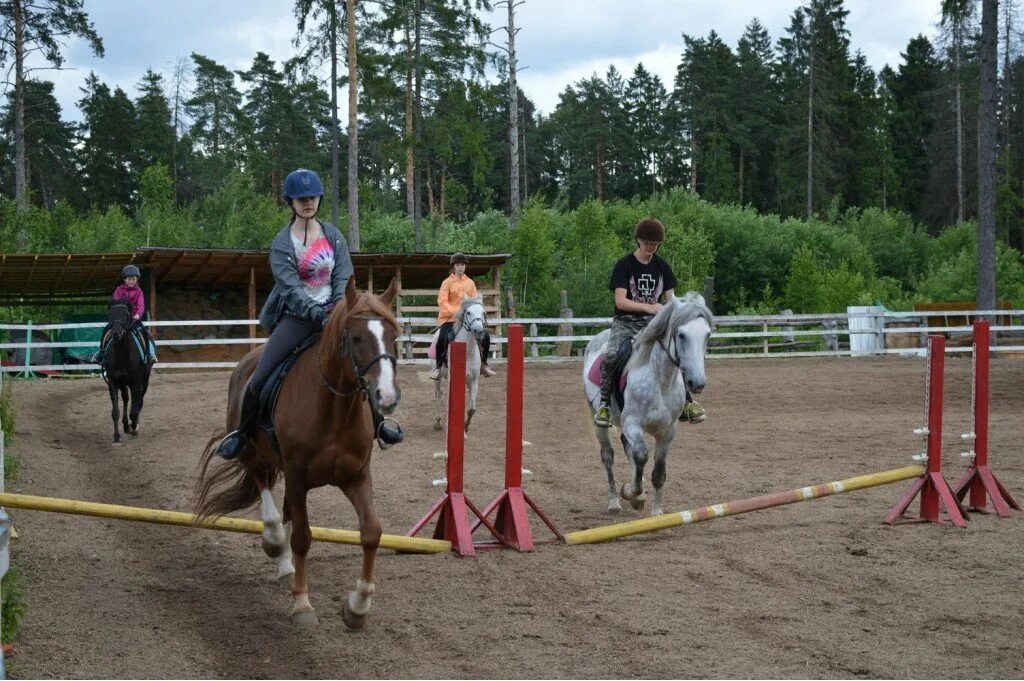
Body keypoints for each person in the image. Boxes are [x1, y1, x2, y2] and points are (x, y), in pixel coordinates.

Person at [215, 168, 402, 459]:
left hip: (337, 315)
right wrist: (318, 315)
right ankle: (242, 434)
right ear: (289, 201)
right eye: (301, 198)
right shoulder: (281, 244)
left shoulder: (334, 236)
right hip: (297, 319)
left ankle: (379, 426)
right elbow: (290, 289)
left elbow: (344, 276)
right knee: (259, 375)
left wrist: (338, 308)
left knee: (364, 366)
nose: (308, 203)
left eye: (312, 197)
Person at [592, 217, 707, 428]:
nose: (650, 248)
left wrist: (680, 312)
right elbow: (620, 301)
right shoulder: (624, 265)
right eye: (646, 243)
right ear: (638, 241)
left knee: (677, 352)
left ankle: (687, 403)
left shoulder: (662, 267)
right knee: (611, 355)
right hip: (626, 321)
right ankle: (605, 405)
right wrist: (649, 307)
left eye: (654, 245)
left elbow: (670, 300)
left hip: (654, 323)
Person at [430, 252, 496, 380]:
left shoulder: (470, 283)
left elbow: (475, 299)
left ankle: (483, 364)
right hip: (450, 319)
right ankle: (438, 367)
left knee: (485, 335)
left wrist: (474, 312)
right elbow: (442, 301)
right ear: (453, 267)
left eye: (462, 265)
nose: (460, 267)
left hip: (468, 319)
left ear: (465, 267)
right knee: (443, 336)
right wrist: (455, 312)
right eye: (457, 265)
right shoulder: (447, 282)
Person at [91, 265, 158, 366]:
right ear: (125, 280)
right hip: (120, 319)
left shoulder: (139, 291)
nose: (131, 281)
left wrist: (137, 315)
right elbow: (115, 303)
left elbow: (141, 305)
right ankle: (100, 354)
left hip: (133, 319)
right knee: (106, 331)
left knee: (145, 333)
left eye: (133, 279)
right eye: (129, 279)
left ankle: (150, 355)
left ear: (136, 279)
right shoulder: (119, 290)